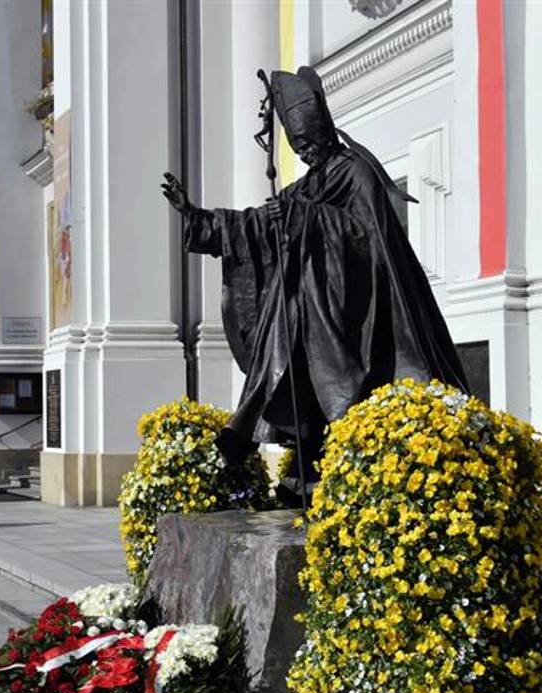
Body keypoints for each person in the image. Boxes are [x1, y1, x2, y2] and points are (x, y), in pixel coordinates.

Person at [161, 66, 467, 504]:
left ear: (324, 129)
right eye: (298, 146)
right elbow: (254, 226)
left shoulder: (355, 172)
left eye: (310, 142)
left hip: (360, 313)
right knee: (282, 330)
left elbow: (370, 238)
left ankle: (307, 442)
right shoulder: (306, 185)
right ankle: (303, 457)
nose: (306, 152)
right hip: (310, 316)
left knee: (302, 336)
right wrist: (197, 216)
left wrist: (308, 218)